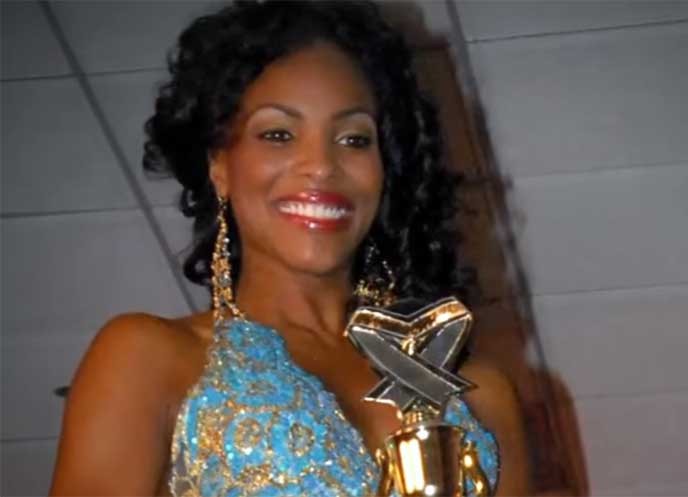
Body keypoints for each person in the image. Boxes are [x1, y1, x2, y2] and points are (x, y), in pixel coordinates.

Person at [48, 1, 534, 495]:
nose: (320, 165)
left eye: (354, 139)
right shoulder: (147, 358)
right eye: (278, 134)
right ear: (219, 165)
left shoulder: (480, 392)